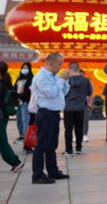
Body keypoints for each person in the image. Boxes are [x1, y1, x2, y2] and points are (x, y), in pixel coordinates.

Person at [30, 53, 70, 184]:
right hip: (45, 113)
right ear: (51, 63)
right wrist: (61, 80)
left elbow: (62, 93)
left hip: (54, 113)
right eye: (59, 64)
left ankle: (53, 170)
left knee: (52, 145)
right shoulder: (41, 77)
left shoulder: (54, 77)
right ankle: (38, 174)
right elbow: (51, 93)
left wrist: (65, 81)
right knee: (41, 145)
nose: (60, 66)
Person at [63, 62, 92, 156]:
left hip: (68, 107)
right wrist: (89, 104)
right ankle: (78, 147)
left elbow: (62, 93)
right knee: (79, 128)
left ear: (70, 69)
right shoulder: (86, 80)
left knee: (68, 129)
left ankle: (69, 150)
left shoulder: (67, 80)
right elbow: (89, 93)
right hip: (81, 107)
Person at [12, 62, 33, 143]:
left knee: (25, 119)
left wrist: (21, 98)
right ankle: (21, 135)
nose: (24, 69)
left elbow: (29, 91)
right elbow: (14, 89)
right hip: (18, 102)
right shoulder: (19, 79)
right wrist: (17, 97)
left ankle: (26, 136)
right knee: (19, 119)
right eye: (23, 68)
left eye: (26, 68)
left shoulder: (31, 78)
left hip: (25, 101)